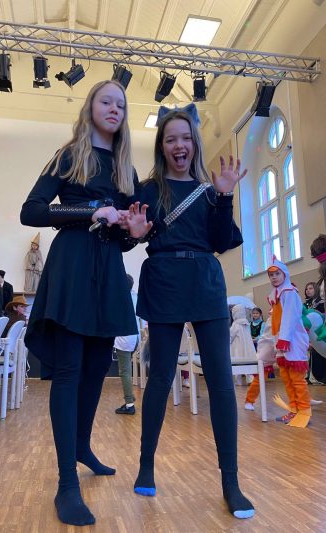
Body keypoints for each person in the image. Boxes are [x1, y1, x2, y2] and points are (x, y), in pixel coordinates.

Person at [20, 80, 148, 527]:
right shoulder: (69, 155)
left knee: (97, 369)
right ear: (90, 106)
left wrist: (134, 233)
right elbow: (31, 211)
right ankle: (66, 484)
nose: (114, 109)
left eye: (121, 105)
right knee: (71, 371)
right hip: (72, 267)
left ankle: (81, 447)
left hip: (108, 269)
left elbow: (125, 237)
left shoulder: (126, 169)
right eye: (106, 101)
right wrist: (91, 210)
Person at [123, 104, 254, 519]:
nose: (178, 145)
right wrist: (134, 236)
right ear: (162, 146)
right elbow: (130, 236)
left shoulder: (210, 189)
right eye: (170, 139)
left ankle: (231, 482)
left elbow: (221, 242)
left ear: (194, 143)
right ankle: (146, 465)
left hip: (205, 281)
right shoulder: (148, 190)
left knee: (219, 379)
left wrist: (226, 196)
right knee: (161, 377)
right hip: (164, 280)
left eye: (185, 138)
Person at [267, 257, 311, 427]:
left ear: (284, 274)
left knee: (297, 379)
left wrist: (284, 340)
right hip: (281, 342)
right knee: (286, 378)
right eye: (271, 275)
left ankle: (304, 411)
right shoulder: (277, 295)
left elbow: (290, 318)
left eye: (277, 274)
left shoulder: (290, 293)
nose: (274, 277)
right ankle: (294, 409)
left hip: (293, 341)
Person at [114, 273, 139, 415]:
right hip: (134, 338)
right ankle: (130, 398)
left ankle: (129, 404)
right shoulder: (134, 296)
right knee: (126, 370)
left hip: (125, 339)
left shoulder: (120, 299)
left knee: (124, 372)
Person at [245, 314, 276, 410]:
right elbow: (270, 335)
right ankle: (249, 400)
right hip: (268, 348)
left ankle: (302, 399)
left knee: (294, 376)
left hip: (282, 346)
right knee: (260, 378)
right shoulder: (274, 316)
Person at [230, 304, 256, 385]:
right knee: (248, 361)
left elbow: (231, 335)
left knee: (237, 363)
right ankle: (250, 379)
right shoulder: (246, 323)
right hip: (247, 346)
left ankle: (238, 381)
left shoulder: (236, 324)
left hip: (237, 347)